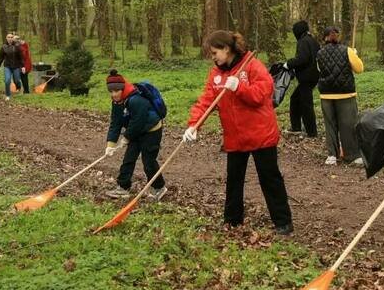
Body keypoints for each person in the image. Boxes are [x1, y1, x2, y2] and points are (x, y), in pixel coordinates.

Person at [182, 30, 293, 235]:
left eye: (215, 53)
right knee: (234, 179)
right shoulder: (216, 74)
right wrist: (194, 125)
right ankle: (232, 220)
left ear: (226, 49)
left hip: (261, 134)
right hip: (235, 136)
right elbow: (206, 101)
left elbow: (263, 94)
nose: (213, 57)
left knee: (269, 178)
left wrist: (240, 87)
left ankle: (283, 222)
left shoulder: (252, 65)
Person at [103, 70, 167, 200]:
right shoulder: (117, 102)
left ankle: (159, 187)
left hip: (151, 130)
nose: (114, 94)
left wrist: (126, 138)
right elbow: (116, 122)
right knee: (128, 159)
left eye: (116, 91)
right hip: (136, 131)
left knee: (148, 162)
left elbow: (138, 121)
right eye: (111, 91)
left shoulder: (135, 99)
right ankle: (123, 187)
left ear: (122, 88)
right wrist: (110, 144)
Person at [316, 26, 364, 166]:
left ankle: (332, 155)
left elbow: (319, 70)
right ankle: (353, 156)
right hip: (346, 94)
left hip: (326, 95)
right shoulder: (347, 50)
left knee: (330, 125)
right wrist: (354, 54)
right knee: (348, 125)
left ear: (324, 37)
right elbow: (359, 69)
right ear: (338, 36)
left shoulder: (319, 53)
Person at [284, 20, 320, 137]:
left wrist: (289, 64)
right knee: (295, 99)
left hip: (307, 77)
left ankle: (311, 132)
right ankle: (296, 127)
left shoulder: (303, 42)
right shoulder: (312, 40)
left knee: (306, 104)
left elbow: (303, 58)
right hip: (312, 76)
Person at [0, 34, 23, 101]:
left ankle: (19, 87)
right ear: (6, 38)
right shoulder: (3, 47)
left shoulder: (17, 46)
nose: (10, 38)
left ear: (13, 38)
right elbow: (1, 58)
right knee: (7, 80)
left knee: (17, 80)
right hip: (7, 66)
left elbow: (20, 57)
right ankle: (8, 95)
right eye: (9, 37)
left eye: (11, 37)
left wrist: (22, 66)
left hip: (16, 66)